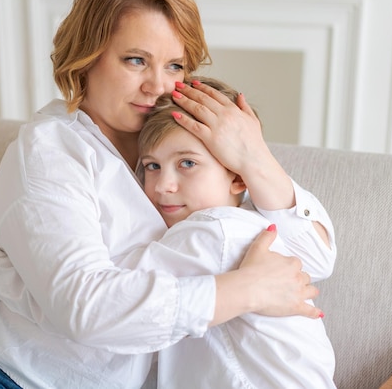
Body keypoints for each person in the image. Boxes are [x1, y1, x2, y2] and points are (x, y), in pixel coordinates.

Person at [0, 0, 329, 388]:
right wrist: (245, 290)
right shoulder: (51, 149)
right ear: (87, 57)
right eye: (135, 60)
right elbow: (85, 308)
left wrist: (256, 157)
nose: (158, 85)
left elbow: (314, 258)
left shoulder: (186, 150)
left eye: (174, 65)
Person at [134, 77, 336, 388]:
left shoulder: (212, 231)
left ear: (239, 179)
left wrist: (254, 158)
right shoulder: (250, 224)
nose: (163, 186)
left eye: (187, 163)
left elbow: (120, 298)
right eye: (152, 166)